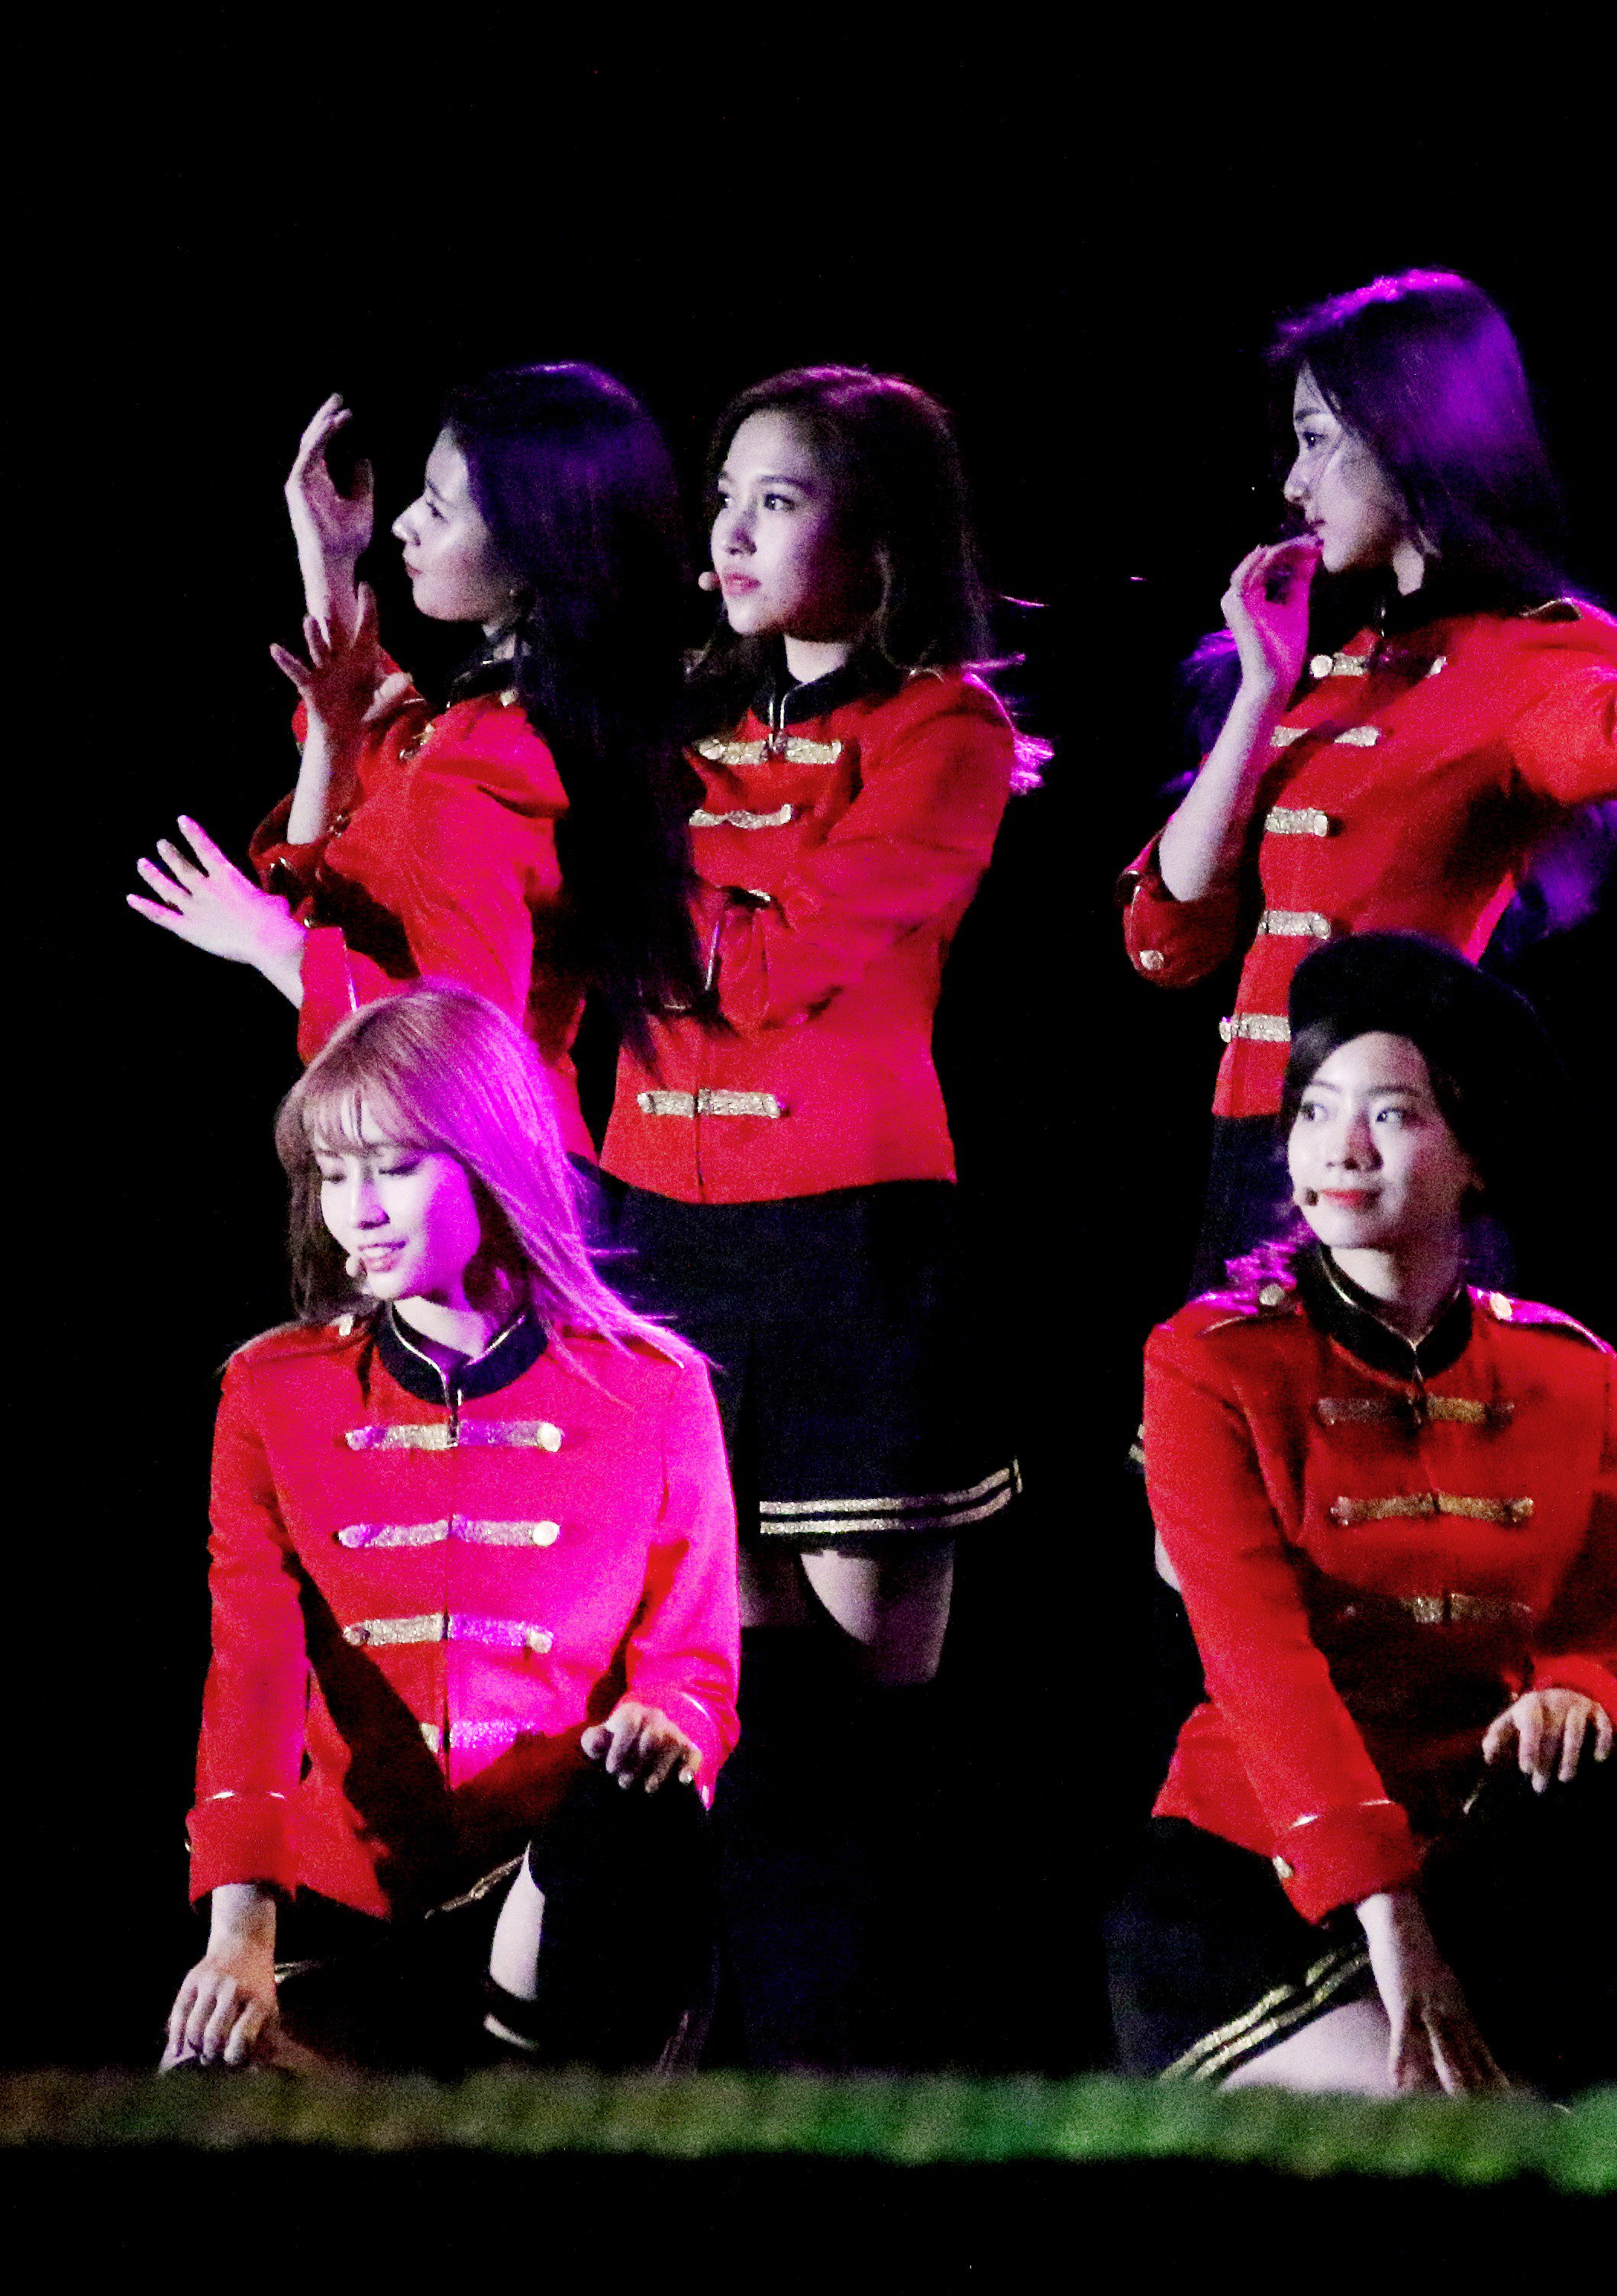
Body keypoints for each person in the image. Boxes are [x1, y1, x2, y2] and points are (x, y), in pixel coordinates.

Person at [1122, 272, 1617, 1285]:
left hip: (1397, 1158)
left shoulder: (1525, 656)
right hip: (1253, 1144)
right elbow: (1166, 939)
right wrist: (1260, 689)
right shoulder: (1322, 668)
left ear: (1405, 435)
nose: (1293, 485)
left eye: (1316, 438)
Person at [1111, 934, 1617, 2094]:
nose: (1341, 1148)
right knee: (1456, 2153)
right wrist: (1396, 1931)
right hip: (1253, 1887)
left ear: (1474, 1154)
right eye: (1315, 1110)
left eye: (1393, 1114)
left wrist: (1579, 1690)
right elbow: (1262, 1664)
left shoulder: (1572, 1371)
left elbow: (1611, 1630)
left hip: (1488, 1883)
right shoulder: (1210, 1361)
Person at [163, 985, 740, 2073]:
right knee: (198, 2094)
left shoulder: (656, 1389)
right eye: (334, 1174)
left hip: (572, 1904)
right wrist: (237, 1936)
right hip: (352, 1917)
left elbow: (695, 1665)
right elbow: (252, 1679)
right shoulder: (270, 1392)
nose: (356, 1210)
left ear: (490, 1163)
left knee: (630, 1825)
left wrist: (667, 1721)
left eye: (391, 1167)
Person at [597, 363, 1031, 1693]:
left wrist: (636, 897)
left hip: (847, 1237)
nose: (731, 534)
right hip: (657, 1224)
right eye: (726, 497)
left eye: (777, 503)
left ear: (883, 537)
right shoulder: (677, 713)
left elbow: (778, 969)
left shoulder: (944, 728)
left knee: (861, 1711)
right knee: (708, 1683)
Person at [128, 363, 708, 1166]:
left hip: (477, 1183)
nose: (402, 524)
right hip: (478, 1166)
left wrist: (274, 945)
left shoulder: (484, 765)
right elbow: (370, 732)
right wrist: (331, 565)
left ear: (534, 547)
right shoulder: (514, 731)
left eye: (436, 507)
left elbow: (467, 1046)